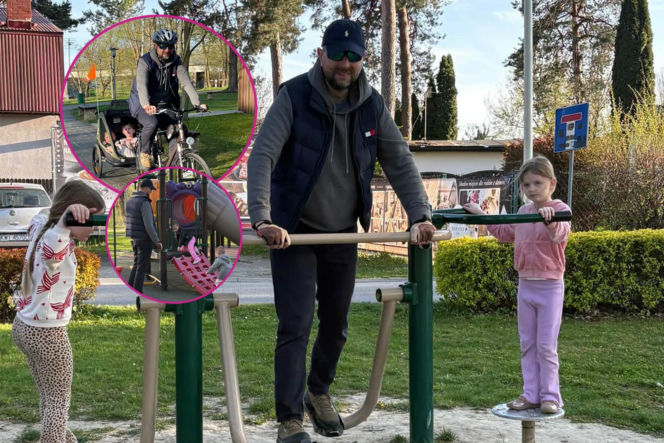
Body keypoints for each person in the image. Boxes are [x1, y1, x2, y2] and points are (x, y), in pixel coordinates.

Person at [247, 18, 436, 443]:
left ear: (363, 59)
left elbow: (400, 162)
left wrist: (420, 215)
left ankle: (318, 392)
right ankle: (290, 420)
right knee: (295, 324)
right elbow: (263, 156)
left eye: (354, 56)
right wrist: (263, 217)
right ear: (321, 55)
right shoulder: (294, 96)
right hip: (293, 231)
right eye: (337, 55)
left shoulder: (372, 105)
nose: (345, 64)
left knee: (336, 323)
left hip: (341, 232)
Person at [463, 156, 571, 415]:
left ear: (552, 183)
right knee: (528, 344)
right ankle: (531, 394)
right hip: (526, 285)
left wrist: (551, 220)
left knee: (546, 346)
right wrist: (481, 215)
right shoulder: (523, 213)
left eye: (537, 183)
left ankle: (550, 397)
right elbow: (503, 233)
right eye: (526, 184)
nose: (532, 189)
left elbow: (560, 234)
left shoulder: (559, 209)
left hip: (550, 286)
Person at [12, 180, 105, 443]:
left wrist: (62, 214)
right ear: (71, 217)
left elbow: (42, 216)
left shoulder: (43, 227)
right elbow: (53, 256)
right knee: (58, 397)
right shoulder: (55, 239)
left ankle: (62, 437)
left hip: (24, 327)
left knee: (49, 392)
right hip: (47, 334)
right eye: (91, 219)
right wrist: (65, 222)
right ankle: (54, 439)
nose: (95, 227)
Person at [128, 29, 208, 170]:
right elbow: (142, 86)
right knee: (152, 123)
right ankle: (144, 153)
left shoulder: (176, 62)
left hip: (164, 103)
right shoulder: (145, 61)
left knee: (177, 128)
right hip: (142, 102)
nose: (167, 50)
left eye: (170, 46)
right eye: (163, 46)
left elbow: (186, 83)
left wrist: (197, 102)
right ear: (155, 46)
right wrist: (146, 105)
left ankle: (175, 161)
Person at [125, 178, 163, 293]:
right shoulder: (144, 202)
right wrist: (156, 241)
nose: (151, 192)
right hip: (144, 239)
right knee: (141, 269)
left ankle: (130, 290)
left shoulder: (130, 201)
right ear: (145, 188)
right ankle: (138, 292)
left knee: (136, 265)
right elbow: (149, 225)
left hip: (134, 238)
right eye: (150, 189)